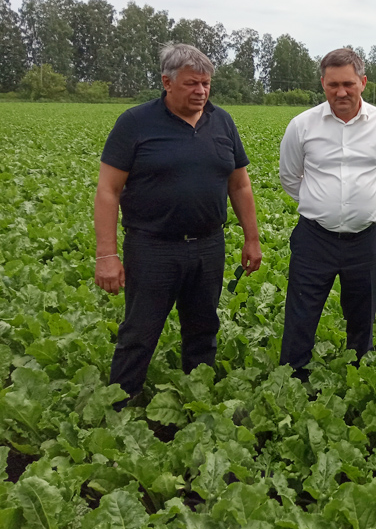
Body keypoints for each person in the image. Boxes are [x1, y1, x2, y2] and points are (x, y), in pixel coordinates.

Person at [94, 42, 262, 404]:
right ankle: (119, 405)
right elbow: (108, 190)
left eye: (206, 84)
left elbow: (239, 184)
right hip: (152, 247)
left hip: (208, 245)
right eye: (191, 84)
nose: (201, 91)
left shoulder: (222, 122)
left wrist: (252, 238)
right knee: (140, 332)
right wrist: (106, 255)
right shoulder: (135, 123)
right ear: (167, 82)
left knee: (203, 328)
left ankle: (197, 401)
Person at [279, 48, 376, 379]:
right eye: (333, 85)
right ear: (323, 84)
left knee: (363, 315)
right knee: (301, 313)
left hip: (365, 239)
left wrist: (363, 206)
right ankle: (294, 378)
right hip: (314, 238)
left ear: (363, 82)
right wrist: (320, 204)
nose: (341, 92)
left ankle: (358, 375)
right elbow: (290, 176)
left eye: (348, 84)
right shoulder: (302, 125)